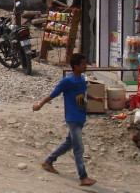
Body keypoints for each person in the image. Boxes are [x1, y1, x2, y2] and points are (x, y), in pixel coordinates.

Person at [33, 52, 96, 186]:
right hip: (72, 117)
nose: (85, 66)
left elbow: (83, 93)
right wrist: (40, 105)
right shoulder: (67, 81)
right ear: (75, 66)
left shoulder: (82, 79)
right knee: (78, 148)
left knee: (69, 143)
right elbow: (53, 94)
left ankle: (48, 161)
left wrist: (96, 98)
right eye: (83, 64)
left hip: (80, 116)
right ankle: (83, 177)